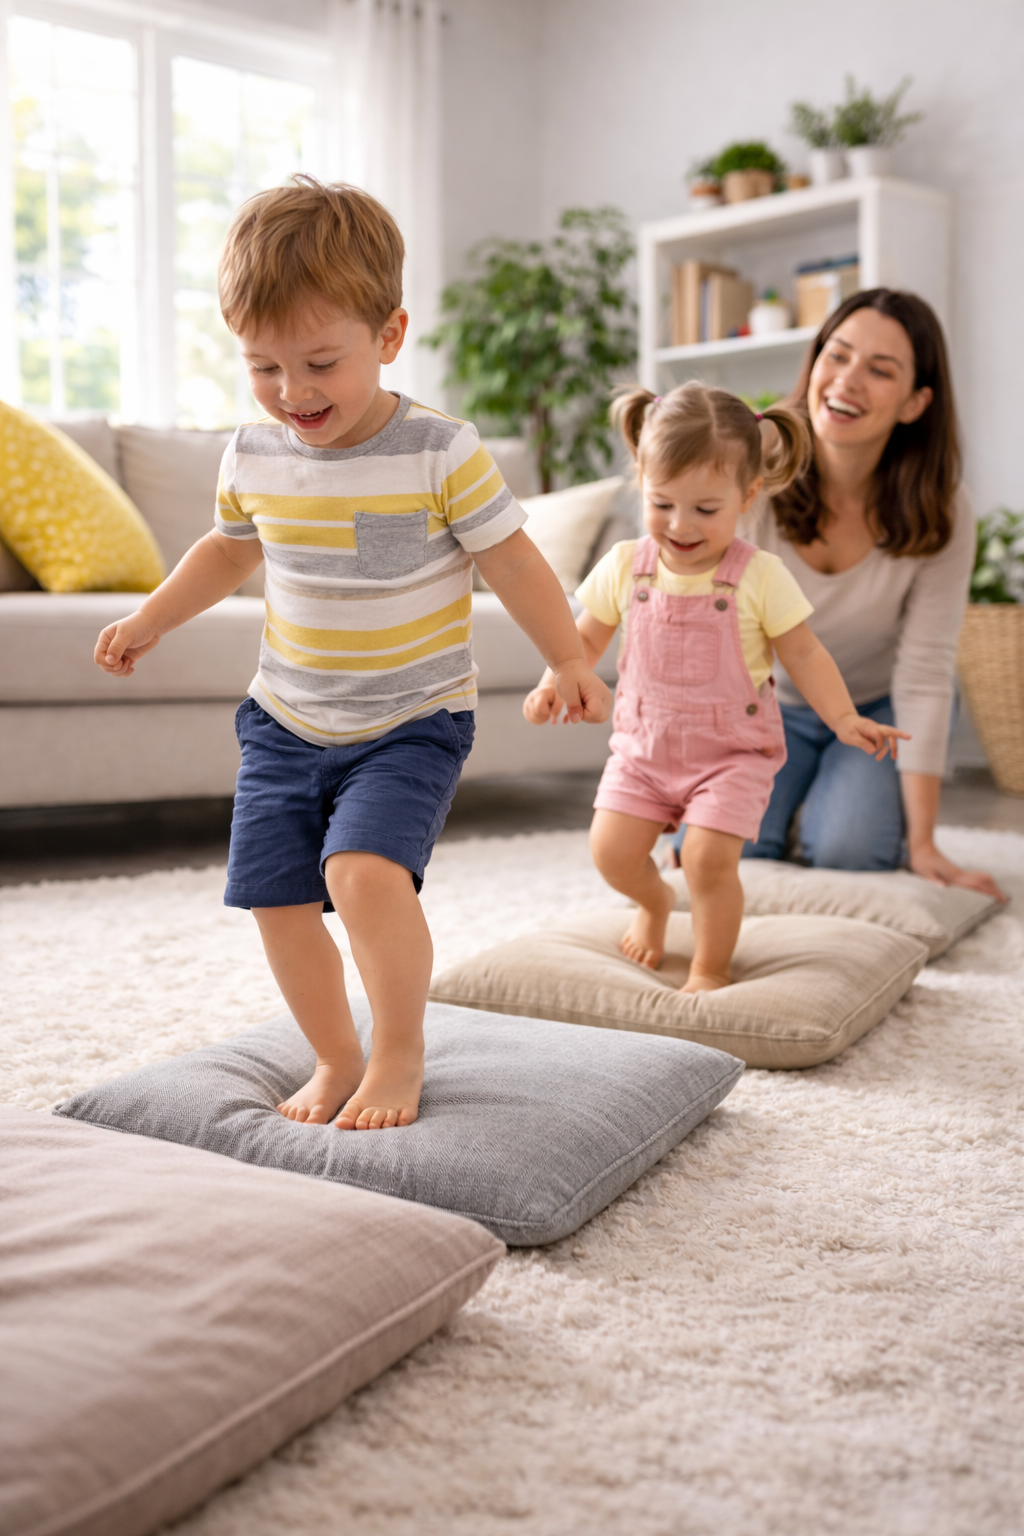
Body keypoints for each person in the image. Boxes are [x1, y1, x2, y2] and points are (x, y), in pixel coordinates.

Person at [94, 177, 611, 1130]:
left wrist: (570, 658)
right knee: (277, 900)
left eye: (320, 363)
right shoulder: (253, 453)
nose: (293, 392)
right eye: (264, 366)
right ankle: (337, 1057)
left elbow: (512, 559)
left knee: (362, 874)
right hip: (285, 719)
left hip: (412, 720)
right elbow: (229, 551)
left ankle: (400, 1053)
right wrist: (152, 618)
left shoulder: (440, 450)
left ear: (389, 335)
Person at [524, 383, 907, 992]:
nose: (680, 525)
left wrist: (842, 717)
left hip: (731, 756)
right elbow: (584, 639)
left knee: (706, 860)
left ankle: (710, 965)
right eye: (662, 503)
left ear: (748, 496)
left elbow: (805, 653)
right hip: (643, 753)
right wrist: (556, 678)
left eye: (706, 509)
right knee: (611, 852)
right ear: (641, 482)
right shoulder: (625, 565)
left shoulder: (759, 576)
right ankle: (655, 902)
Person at [670, 288, 1005, 902]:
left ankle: (826, 801)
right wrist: (681, 789)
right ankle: (799, 798)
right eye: (838, 354)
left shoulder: (943, 512)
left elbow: (924, 672)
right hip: (766, 705)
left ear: (915, 402)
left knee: (850, 852)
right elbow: (696, 627)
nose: (848, 380)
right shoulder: (752, 463)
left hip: (878, 708)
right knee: (713, 851)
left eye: (881, 370)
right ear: (816, 360)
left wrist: (924, 844)